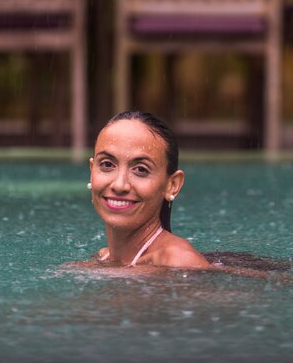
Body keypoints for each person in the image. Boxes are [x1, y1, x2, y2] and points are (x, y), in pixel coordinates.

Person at [87, 111, 210, 269]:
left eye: (141, 169)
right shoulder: (102, 258)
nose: (119, 185)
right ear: (91, 172)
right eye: (107, 164)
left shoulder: (179, 263)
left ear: (172, 185)